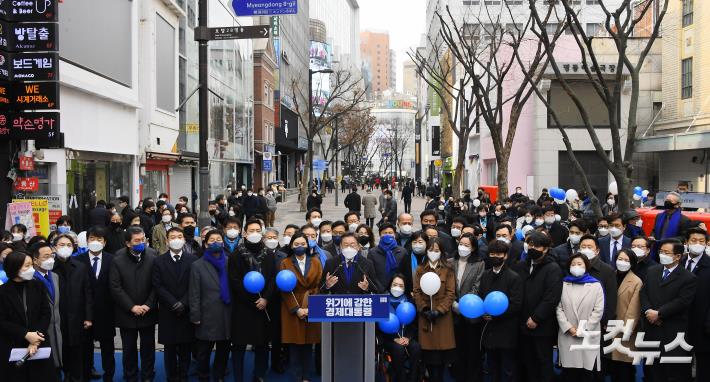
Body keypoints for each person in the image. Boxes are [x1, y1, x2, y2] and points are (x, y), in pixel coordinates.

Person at [639, 239, 697, 381]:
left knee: (671, 372)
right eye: (661, 252)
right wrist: (648, 311)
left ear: (678, 256)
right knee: (651, 370)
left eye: (667, 252)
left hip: (671, 330)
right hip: (651, 328)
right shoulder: (652, 271)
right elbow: (643, 293)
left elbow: (682, 301)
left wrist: (659, 313)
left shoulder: (688, 277)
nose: (662, 255)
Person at [0, 250, 58, 381]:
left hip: (39, 343)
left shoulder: (38, 285)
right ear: (14, 267)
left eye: (31, 265)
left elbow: (45, 313)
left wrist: (35, 337)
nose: (31, 269)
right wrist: (26, 334)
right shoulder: (3, 292)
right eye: (27, 266)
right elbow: (2, 321)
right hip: (12, 344)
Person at [109, 226, 158, 382]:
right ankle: (130, 375)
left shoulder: (153, 255)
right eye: (136, 240)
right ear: (128, 243)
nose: (141, 243)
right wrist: (131, 306)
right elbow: (115, 287)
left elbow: (157, 284)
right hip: (126, 313)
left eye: (143, 239)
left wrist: (148, 304)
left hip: (147, 311)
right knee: (129, 348)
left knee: (148, 347)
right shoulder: (117, 259)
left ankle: (147, 375)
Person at [229, 219, 275, 382]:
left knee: (262, 345)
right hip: (242, 307)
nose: (254, 233)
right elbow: (234, 281)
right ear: (245, 233)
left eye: (257, 230)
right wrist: (251, 300)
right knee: (239, 346)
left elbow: (272, 279)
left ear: (262, 233)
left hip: (263, 307)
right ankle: (239, 377)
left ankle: (259, 375)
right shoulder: (236, 255)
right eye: (251, 230)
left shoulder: (269, 254)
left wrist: (266, 299)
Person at [514, 231, 563, 382]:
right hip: (521, 323)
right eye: (530, 244)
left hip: (542, 326)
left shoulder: (553, 268)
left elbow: (551, 297)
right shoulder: (520, 265)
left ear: (546, 248)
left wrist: (536, 317)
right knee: (526, 362)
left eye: (537, 246)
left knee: (543, 362)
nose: (532, 248)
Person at [152, 227, 197, 382]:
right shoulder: (158, 261)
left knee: (186, 347)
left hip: (186, 309)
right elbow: (158, 286)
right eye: (173, 236)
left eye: (179, 236)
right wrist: (173, 303)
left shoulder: (192, 260)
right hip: (167, 310)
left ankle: (184, 375)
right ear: (167, 240)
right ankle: (171, 376)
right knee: (169, 349)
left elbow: (194, 285)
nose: (176, 239)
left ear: (184, 240)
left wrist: (183, 303)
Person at [189, 230, 232, 382]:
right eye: (211, 240)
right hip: (207, 315)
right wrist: (195, 315)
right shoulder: (197, 265)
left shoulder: (229, 262)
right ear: (206, 244)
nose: (215, 242)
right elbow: (194, 293)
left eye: (218, 239)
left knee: (223, 350)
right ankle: (203, 376)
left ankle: (219, 376)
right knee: (203, 352)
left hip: (226, 314)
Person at [279, 232, 322, 381]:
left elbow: (319, 285)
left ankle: (306, 376)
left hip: (311, 303)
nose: (300, 247)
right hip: (292, 305)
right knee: (295, 345)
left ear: (308, 245)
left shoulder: (316, 261)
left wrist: (311, 308)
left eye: (303, 244)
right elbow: (284, 289)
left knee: (308, 345)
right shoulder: (285, 262)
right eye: (296, 244)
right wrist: (296, 309)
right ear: (291, 246)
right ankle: (297, 376)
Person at [412, 237, 456, 382]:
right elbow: (416, 291)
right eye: (431, 250)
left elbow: (450, 293)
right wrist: (424, 309)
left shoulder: (448, 269)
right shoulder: (420, 269)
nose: (433, 253)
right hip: (426, 318)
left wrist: (440, 310)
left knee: (442, 360)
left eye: (436, 250)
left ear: (441, 252)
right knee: (429, 360)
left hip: (442, 319)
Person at [556, 253, 605, 381]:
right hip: (568, 334)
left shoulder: (595, 285)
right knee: (569, 371)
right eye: (573, 264)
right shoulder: (563, 284)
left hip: (588, 334)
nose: (576, 267)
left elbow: (598, 310)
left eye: (579, 264)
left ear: (586, 266)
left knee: (586, 372)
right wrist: (568, 327)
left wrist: (584, 329)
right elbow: (558, 308)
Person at [479, 240, 523, 382]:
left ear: (505, 256)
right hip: (489, 330)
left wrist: (496, 316)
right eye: (492, 254)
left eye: (498, 254)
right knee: (492, 367)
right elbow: (481, 297)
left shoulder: (513, 277)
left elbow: (516, 304)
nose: (495, 257)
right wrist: (483, 312)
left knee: (508, 369)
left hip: (506, 330)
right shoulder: (485, 275)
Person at [52, 234, 94, 382]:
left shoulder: (80, 267)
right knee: (61, 351)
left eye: (69, 245)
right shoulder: (50, 267)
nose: (65, 248)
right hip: (57, 318)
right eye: (61, 245)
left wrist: (89, 317)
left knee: (77, 351)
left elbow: (87, 293)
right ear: (54, 247)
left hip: (77, 317)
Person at [77, 226, 116, 382]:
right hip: (84, 312)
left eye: (99, 239)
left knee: (108, 349)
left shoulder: (112, 259)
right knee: (86, 348)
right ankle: (87, 373)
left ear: (104, 242)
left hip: (106, 312)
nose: (95, 242)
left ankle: (109, 376)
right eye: (92, 239)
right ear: (87, 241)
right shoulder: (77, 261)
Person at [449, 233, 485, 382]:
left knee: (472, 350)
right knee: (457, 349)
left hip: (471, 314)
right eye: (461, 244)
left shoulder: (479, 264)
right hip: (453, 312)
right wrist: (453, 304)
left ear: (474, 247)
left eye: (467, 245)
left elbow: (477, 287)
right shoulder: (451, 262)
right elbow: (447, 287)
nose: (462, 247)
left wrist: (464, 305)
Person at [379, 273, 422, 382]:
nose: (397, 288)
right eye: (395, 284)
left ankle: (413, 378)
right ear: (390, 285)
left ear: (405, 288)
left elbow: (413, 325)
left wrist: (408, 338)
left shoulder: (409, 302)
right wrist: (394, 339)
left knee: (416, 347)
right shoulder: (382, 301)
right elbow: (378, 326)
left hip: (406, 337)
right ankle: (401, 379)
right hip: (389, 339)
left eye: (401, 286)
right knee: (398, 348)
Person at [29, 242, 63, 374]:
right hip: (39, 332)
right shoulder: (30, 279)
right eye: (46, 256)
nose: (50, 259)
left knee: (57, 366)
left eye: (52, 255)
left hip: (56, 329)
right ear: (35, 260)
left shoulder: (54, 276)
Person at [682, 228, 710, 381]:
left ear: (706, 244)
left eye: (701, 241)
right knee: (680, 365)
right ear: (686, 242)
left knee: (704, 368)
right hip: (680, 323)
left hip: (702, 325)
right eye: (693, 240)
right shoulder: (678, 262)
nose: (697, 244)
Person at [610, 249, 642, 382]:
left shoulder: (636, 281)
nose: (622, 263)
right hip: (607, 327)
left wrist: (625, 329)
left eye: (627, 260)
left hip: (624, 330)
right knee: (612, 368)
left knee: (624, 368)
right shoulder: (610, 275)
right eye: (620, 259)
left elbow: (634, 309)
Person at [369, 223, 406, 292]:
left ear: (394, 235)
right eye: (384, 233)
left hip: (398, 289)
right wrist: (380, 288)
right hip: (379, 290)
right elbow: (371, 274)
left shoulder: (402, 251)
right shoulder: (373, 252)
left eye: (390, 233)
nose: (387, 235)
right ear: (380, 235)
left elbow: (404, 272)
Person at [398, 231, 429, 296]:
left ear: (426, 243)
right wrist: (409, 291)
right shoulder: (406, 257)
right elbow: (402, 276)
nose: (417, 244)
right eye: (414, 242)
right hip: (410, 294)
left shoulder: (430, 257)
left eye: (420, 242)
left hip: (428, 294)